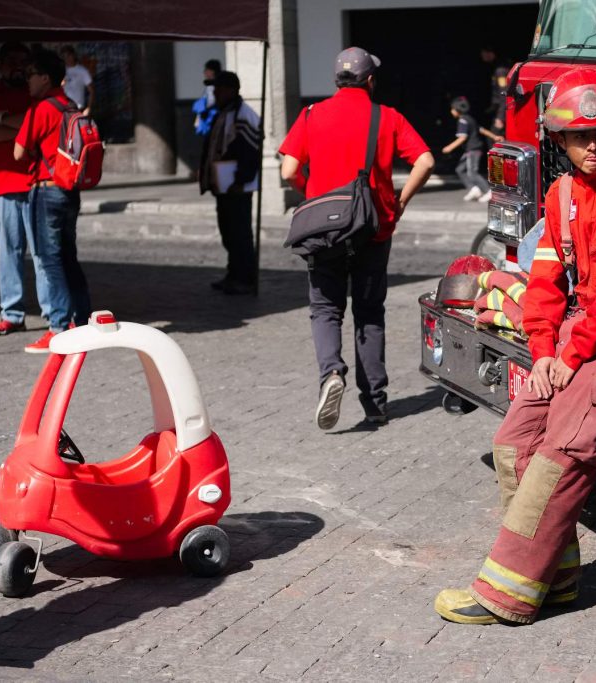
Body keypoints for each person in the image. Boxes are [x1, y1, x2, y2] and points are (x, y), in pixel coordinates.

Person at [434, 68, 596, 625]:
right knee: (513, 443)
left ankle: (506, 595)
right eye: (580, 136)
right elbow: (543, 283)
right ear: (559, 140)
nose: (593, 145)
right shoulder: (562, 193)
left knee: (560, 460)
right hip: (569, 339)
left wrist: (567, 357)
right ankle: (556, 580)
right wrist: (542, 352)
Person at [278, 47, 435, 430]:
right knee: (369, 313)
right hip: (372, 228)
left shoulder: (312, 115)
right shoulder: (388, 117)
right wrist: (399, 201)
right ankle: (375, 403)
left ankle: (331, 374)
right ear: (370, 80)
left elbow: (288, 170)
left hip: (324, 230)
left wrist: (311, 194)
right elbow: (426, 161)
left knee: (326, 308)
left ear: (337, 80)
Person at [14, 47, 90, 353]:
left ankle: (58, 327)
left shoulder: (41, 108)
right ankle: (82, 319)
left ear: (45, 78)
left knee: (49, 258)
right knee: (68, 255)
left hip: (46, 189)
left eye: (31, 74)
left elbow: (18, 152)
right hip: (70, 189)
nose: (27, 80)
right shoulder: (69, 104)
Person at [0, 42, 51, 337]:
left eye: (23, 61)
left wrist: (2, 123)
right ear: (0, 65)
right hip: (2, 185)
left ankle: (52, 312)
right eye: (11, 61)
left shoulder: (35, 93)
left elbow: (40, 125)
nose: (17, 66)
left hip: (38, 184)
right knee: (8, 251)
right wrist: (23, 130)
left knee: (43, 253)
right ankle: (12, 313)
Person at [198, 70, 263, 295]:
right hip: (224, 186)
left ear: (231, 90)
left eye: (219, 88)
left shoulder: (244, 115)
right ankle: (234, 273)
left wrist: (239, 180)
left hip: (237, 187)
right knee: (228, 231)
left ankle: (245, 278)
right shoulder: (224, 112)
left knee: (240, 233)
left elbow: (250, 152)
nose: (215, 91)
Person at [441, 96, 498, 203]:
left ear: (458, 110)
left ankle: (489, 191)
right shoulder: (470, 118)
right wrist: (494, 137)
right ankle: (474, 189)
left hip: (473, 149)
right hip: (471, 149)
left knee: (472, 172)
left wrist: (449, 148)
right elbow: (481, 129)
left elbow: (462, 137)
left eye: (452, 109)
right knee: (460, 169)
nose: (451, 111)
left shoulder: (462, 120)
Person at [58, 46, 94, 114]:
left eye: (68, 55)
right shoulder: (61, 71)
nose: (67, 59)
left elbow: (91, 91)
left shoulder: (82, 71)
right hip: (64, 109)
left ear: (73, 55)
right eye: (64, 57)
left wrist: (88, 108)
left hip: (78, 109)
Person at [192, 59, 221, 137]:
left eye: (206, 70)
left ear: (212, 71)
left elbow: (211, 101)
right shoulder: (213, 85)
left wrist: (202, 106)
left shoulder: (212, 85)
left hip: (212, 119)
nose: (204, 72)